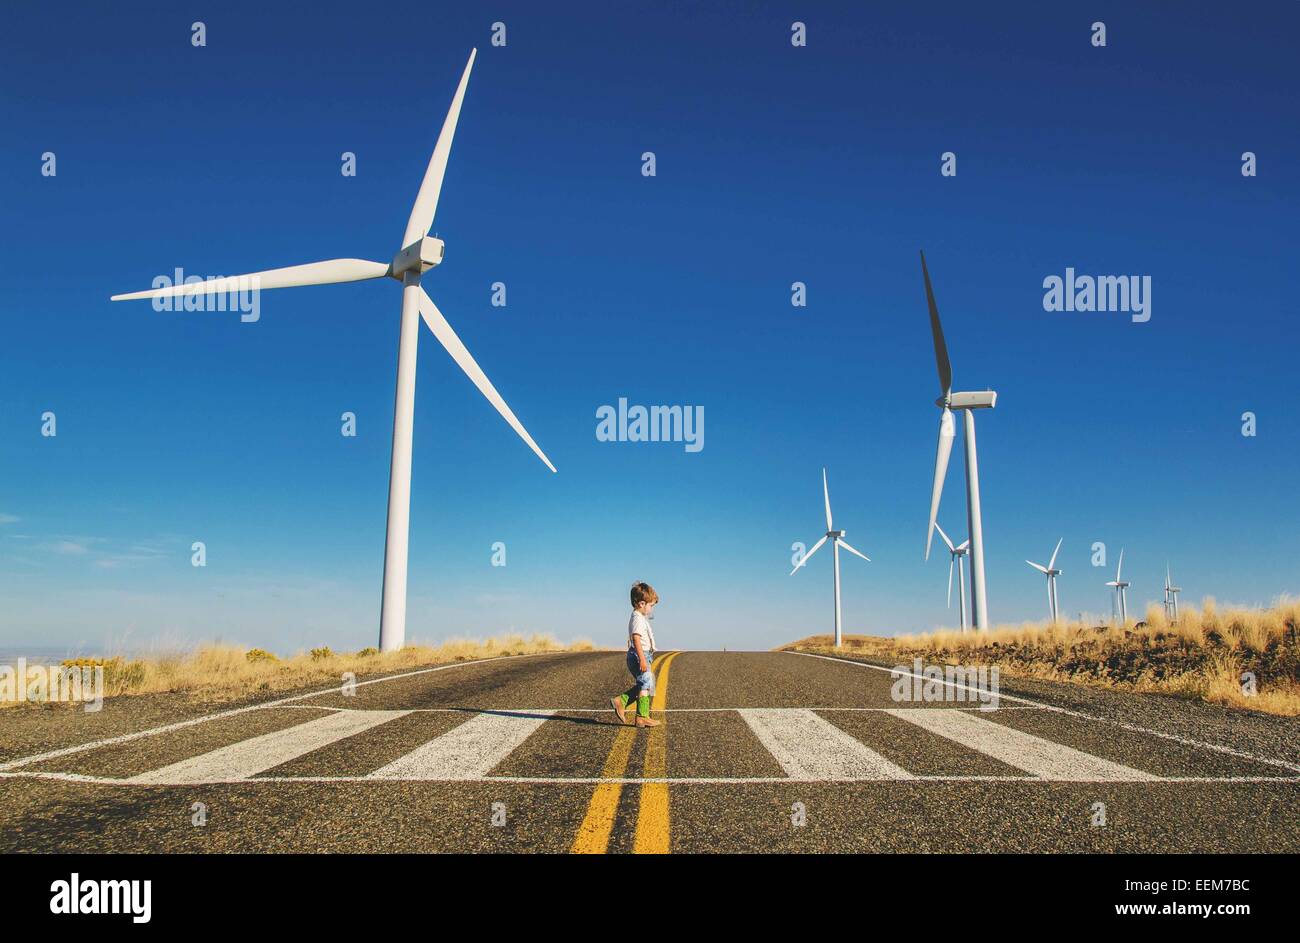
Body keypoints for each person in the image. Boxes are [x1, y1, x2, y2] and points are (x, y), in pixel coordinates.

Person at [610, 581, 661, 728]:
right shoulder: (638, 619)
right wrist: (643, 659)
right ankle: (641, 716)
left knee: (645, 684)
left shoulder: (639, 618)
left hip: (640, 655)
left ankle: (623, 703)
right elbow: (636, 639)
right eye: (651, 606)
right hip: (639, 655)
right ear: (642, 604)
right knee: (646, 683)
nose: (651, 609)